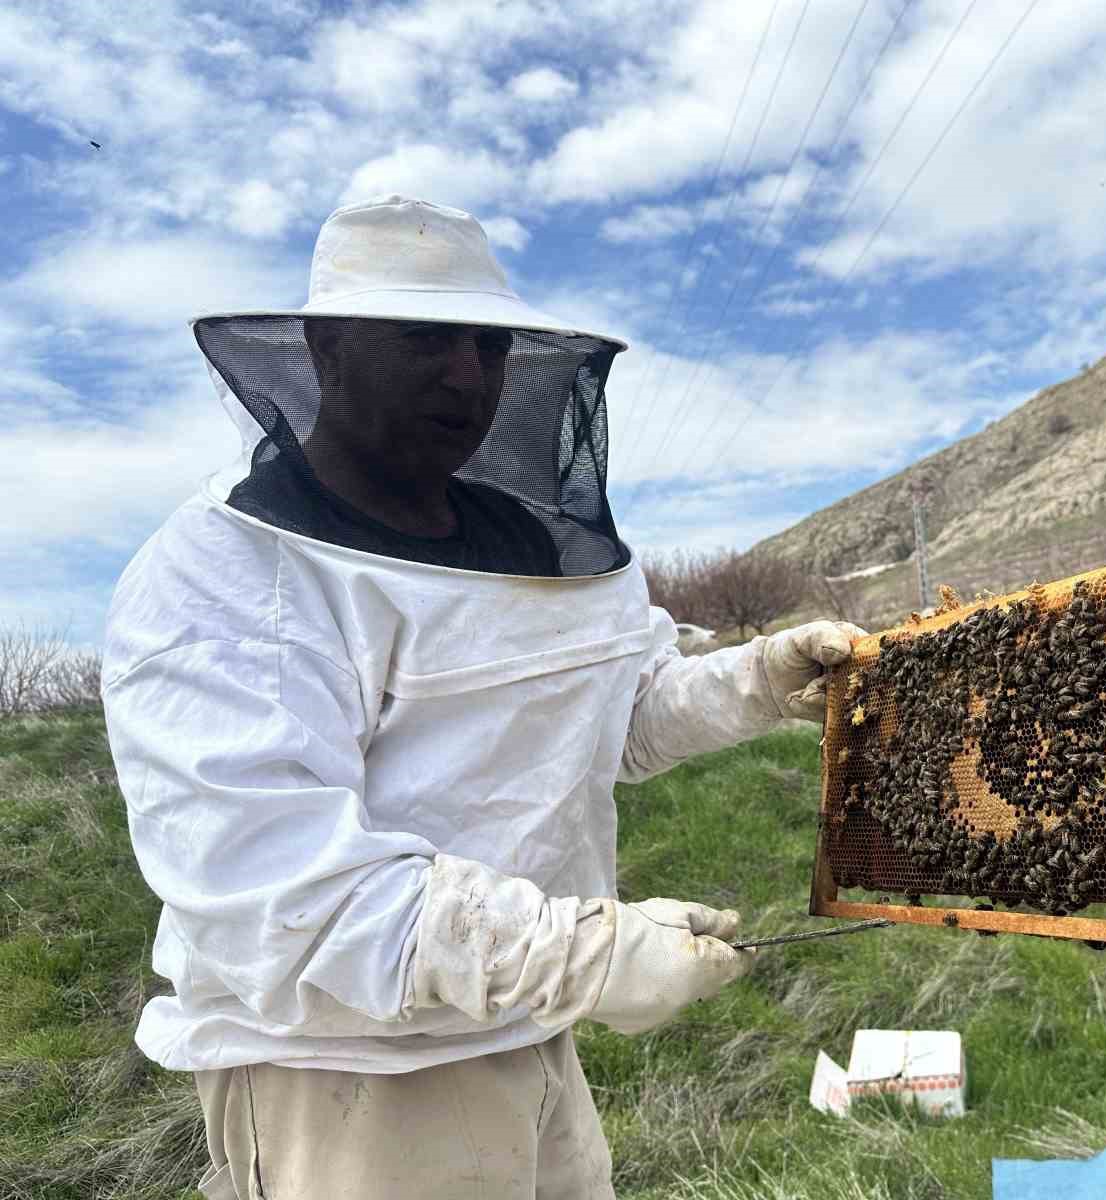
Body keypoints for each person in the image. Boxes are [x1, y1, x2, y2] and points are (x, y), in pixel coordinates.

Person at [100, 194, 863, 1199]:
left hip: (530, 1033)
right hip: (349, 1081)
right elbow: (279, 888)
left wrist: (755, 679)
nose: (467, 375)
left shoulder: (535, 551)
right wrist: (585, 955)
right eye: (426, 339)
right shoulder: (228, 575)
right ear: (329, 348)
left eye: (488, 345)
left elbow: (612, 719)